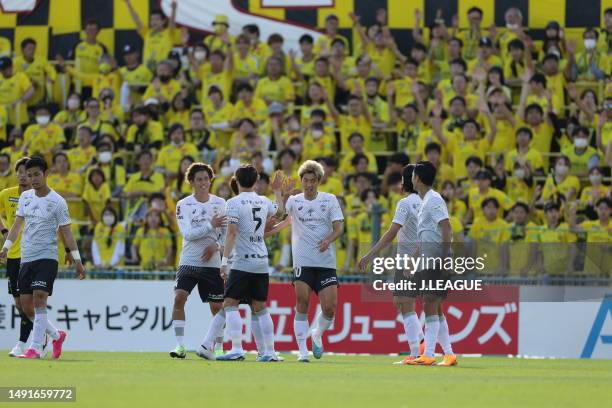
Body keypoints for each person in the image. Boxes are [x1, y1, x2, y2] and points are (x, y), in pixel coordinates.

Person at [0, 156, 86, 359]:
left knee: (39, 300)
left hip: (47, 257)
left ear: (46, 174)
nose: (33, 179)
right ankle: (56, 336)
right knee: (26, 307)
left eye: (37, 174)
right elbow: (17, 225)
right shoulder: (25, 198)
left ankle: (35, 348)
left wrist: (78, 260)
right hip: (26, 258)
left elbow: (67, 233)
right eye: (29, 175)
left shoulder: (58, 202)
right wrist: (6, 247)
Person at [198, 166, 287, 362]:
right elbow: (280, 212)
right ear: (256, 182)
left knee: (230, 304)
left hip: (242, 261)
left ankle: (237, 348)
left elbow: (231, 233)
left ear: (236, 181)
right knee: (260, 307)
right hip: (262, 261)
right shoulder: (264, 201)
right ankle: (269, 352)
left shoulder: (233, 203)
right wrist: (278, 191)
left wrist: (224, 262)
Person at [358, 164, 425, 364]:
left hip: (409, 261)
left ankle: (417, 351)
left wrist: (369, 255)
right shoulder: (429, 201)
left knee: (405, 304)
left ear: (405, 182)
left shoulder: (405, 204)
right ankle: (422, 347)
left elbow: (391, 233)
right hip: (425, 257)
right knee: (404, 303)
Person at [279, 160, 344, 362]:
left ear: (318, 181)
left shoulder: (330, 199)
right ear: (301, 180)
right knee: (302, 302)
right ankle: (302, 351)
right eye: (305, 180)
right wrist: (281, 196)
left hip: (325, 262)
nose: (309, 184)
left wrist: (328, 240)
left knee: (330, 308)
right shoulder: (294, 201)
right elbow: (279, 215)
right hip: (303, 260)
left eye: (313, 180)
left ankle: (317, 333)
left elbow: (339, 227)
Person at [171, 163, 228, 359]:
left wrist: (217, 247)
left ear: (210, 180)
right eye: (199, 179)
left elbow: (228, 234)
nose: (203, 182)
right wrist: (210, 225)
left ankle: (218, 347)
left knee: (217, 308)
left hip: (212, 262)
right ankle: (180, 346)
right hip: (189, 260)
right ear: (192, 182)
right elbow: (187, 233)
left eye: (206, 178)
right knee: (179, 298)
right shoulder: (183, 204)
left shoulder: (221, 203)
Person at [408, 161, 456, 366]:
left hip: (436, 260)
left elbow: (446, 228)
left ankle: (428, 353)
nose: (411, 178)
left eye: (413, 175)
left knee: (429, 303)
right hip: (428, 260)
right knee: (435, 307)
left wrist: (445, 259)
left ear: (417, 178)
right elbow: (427, 235)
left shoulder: (434, 200)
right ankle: (449, 353)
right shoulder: (427, 200)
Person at [0, 157, 32, 357]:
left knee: (28, 304)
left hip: (30, 255)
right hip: (12, 255)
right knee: (19, 305)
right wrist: (3, 229)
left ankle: (22, 344)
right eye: (19, 171)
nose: (22, 175)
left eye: (27, 172)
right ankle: (51, 334)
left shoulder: (39, 196)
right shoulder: (7, 194)